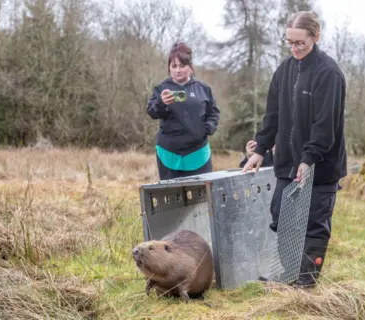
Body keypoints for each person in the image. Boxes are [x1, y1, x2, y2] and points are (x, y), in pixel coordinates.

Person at [242, 11, 347, 289]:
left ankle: (306, 283)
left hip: (320, 166)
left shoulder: (328, 73)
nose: (295, 48)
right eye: (290, 42)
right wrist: (260, 149)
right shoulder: (284, 71)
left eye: (300, 42)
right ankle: (287, 275)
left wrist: (309, 158)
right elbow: (272, 116)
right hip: (288, 164)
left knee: (313, 223)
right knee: (283, 217)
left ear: (315, 37)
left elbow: (326, 126)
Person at [147, 42, 220, 180]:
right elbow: (152, 112)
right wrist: (161, 103)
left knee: (203, 196)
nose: (178, 70)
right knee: (172, 196)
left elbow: (214, 113)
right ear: (169, 68)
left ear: (191, 68)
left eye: (182, 66)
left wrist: (206, 129)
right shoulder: (162, 88)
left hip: (198, 154)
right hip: (168, 154)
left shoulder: (203, 89)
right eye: (173, 66)